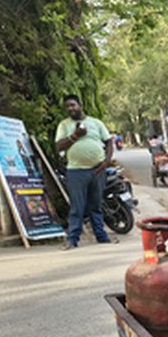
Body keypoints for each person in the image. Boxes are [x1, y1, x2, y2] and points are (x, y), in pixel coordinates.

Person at [55, 94, 114, 250]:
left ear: (80, 105)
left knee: (96, 205)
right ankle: (72, 239)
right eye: (67, 106)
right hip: (76, 171)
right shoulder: (64, 125)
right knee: (77, 207)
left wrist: (106, 162)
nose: (70, 108)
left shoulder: (96, 123)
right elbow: (59, 146)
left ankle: (101, 236)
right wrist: (75, 136)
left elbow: (109, 142)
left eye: (73, 105)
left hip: (97, 170)